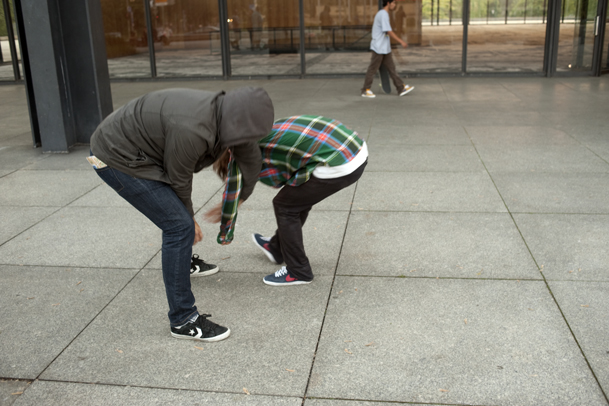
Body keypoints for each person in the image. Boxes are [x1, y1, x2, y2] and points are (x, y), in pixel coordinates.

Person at [88, 87, 274, 341]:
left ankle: (182, 262)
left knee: (181, 223)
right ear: (236, 120)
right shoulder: (193, 129)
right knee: (179, 227)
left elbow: (251, 159)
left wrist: (239, 199)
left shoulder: (230, 114)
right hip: (116, 156)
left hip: (144, 149)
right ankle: (183, 320)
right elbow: (179, 179)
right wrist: (190, 219)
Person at [206, 115, 368, 286]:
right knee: (296, 200)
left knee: (285, 206)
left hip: (341, 163)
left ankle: (298, 271)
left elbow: (234, 190)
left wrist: (225, 233)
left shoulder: (240, 150)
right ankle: (276, 248)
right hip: (355, 147)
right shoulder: (263, 126)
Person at [361, 0, 414, 98]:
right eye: (393, 3)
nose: (394, 5)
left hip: (385, 48)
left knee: (391, 69)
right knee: (372, 69)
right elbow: (388, 31)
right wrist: (401, 41)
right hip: (378, 47)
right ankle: (365, 90)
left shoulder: (383, 14)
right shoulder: (383, 14)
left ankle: (401, 88)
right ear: (388, 3)